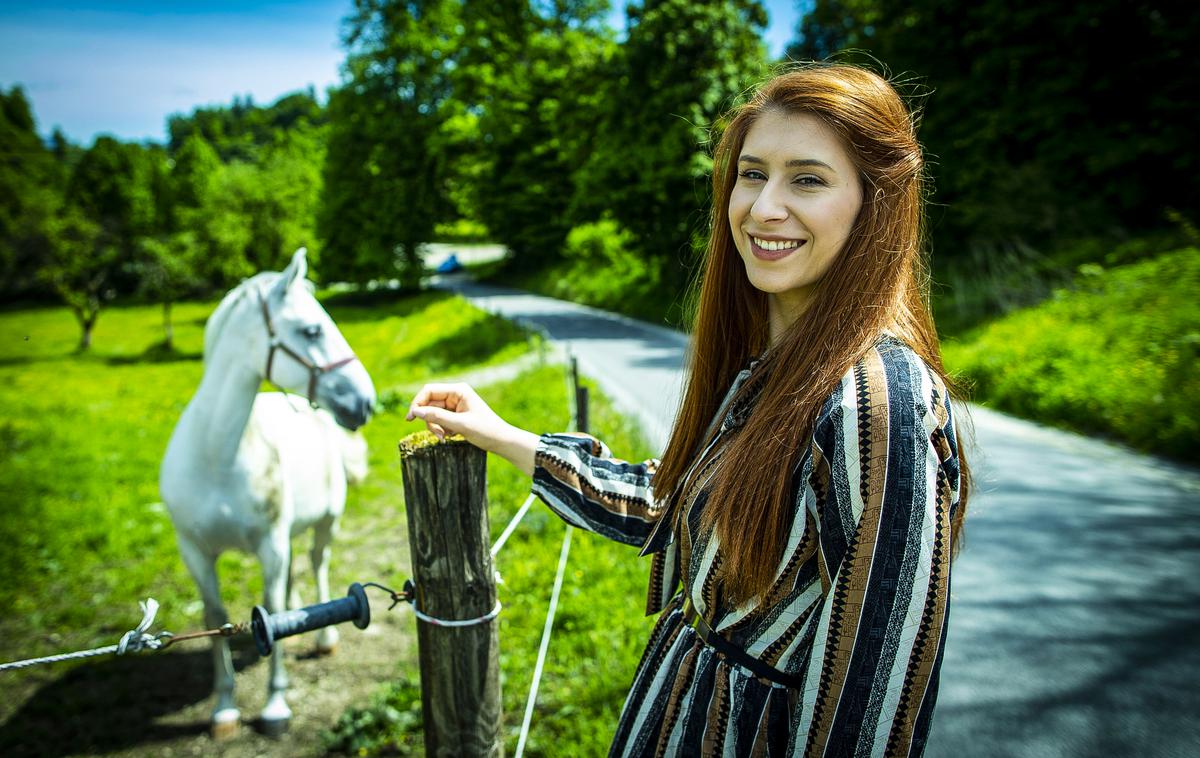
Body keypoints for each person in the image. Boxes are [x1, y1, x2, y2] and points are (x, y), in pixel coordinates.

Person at [407, 62, 969, 757]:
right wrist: (501, 434)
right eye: (753, 172)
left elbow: (874, 703)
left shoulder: (877, 401)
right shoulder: (771, 368)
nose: (763, 206)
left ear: (874, 202)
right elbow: (675, 512)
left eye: (809, 179)